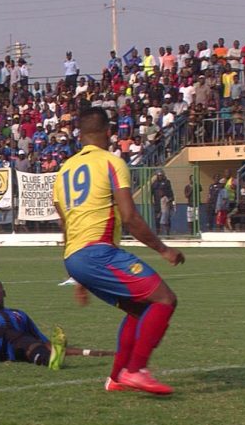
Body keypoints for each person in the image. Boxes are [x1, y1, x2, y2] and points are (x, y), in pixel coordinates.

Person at [53, 107, 185, 395]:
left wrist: (76, 277)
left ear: (80, 134)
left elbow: (67, 225)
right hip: (99, 252)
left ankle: (115, 378)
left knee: (139, 310)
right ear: (109, 132)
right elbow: (129, 217)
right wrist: (163, 250)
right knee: (164, 299)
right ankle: (135, 370)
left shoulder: (63, 171)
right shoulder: (111, 162)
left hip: (74, 257)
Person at [151, 171, 174, 235]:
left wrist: (171, 200)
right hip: (157, 203)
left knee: (166, 218)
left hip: (165, 202)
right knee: (157, 218)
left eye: (161, 175)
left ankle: (168, 233)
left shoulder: (167, 182)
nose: (160, 176)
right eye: (158, 175)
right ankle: (158, 233)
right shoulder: (154, 183)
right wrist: (151, 201)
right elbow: (151, 193)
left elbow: (170, 192)